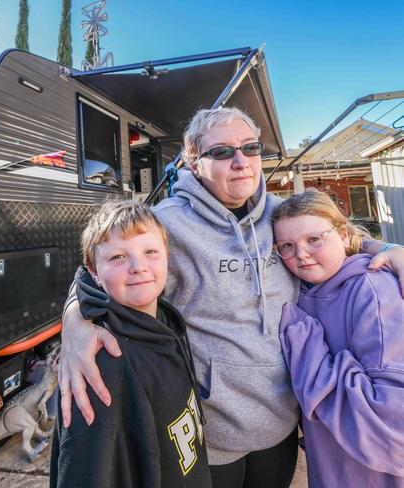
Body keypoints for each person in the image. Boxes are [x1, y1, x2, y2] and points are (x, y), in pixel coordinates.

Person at [58, 107, 404, 488]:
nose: (240, 162)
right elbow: (103, 264)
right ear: (193, 162)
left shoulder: (279, 215)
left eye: (250, 148)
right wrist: (75, 319)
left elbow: (332, 237)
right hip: (214, 432)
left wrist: (387, 247)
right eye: (221, 152)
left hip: (281, 421)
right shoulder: (168, 222)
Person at [50, 200, 212, 488]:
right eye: (118, 257)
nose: (139, 267)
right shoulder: (102, 362)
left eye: (150, 252)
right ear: (94, 272)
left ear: (167, 257)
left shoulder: (165, 322)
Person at [273, 189, 404, 488]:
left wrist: (306, 349)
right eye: (287, 246)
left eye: (313, 240)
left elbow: (392, 431)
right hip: (331, 467)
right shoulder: (303, 288)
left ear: (343, 236)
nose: (301, 254)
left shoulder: (373, 292)